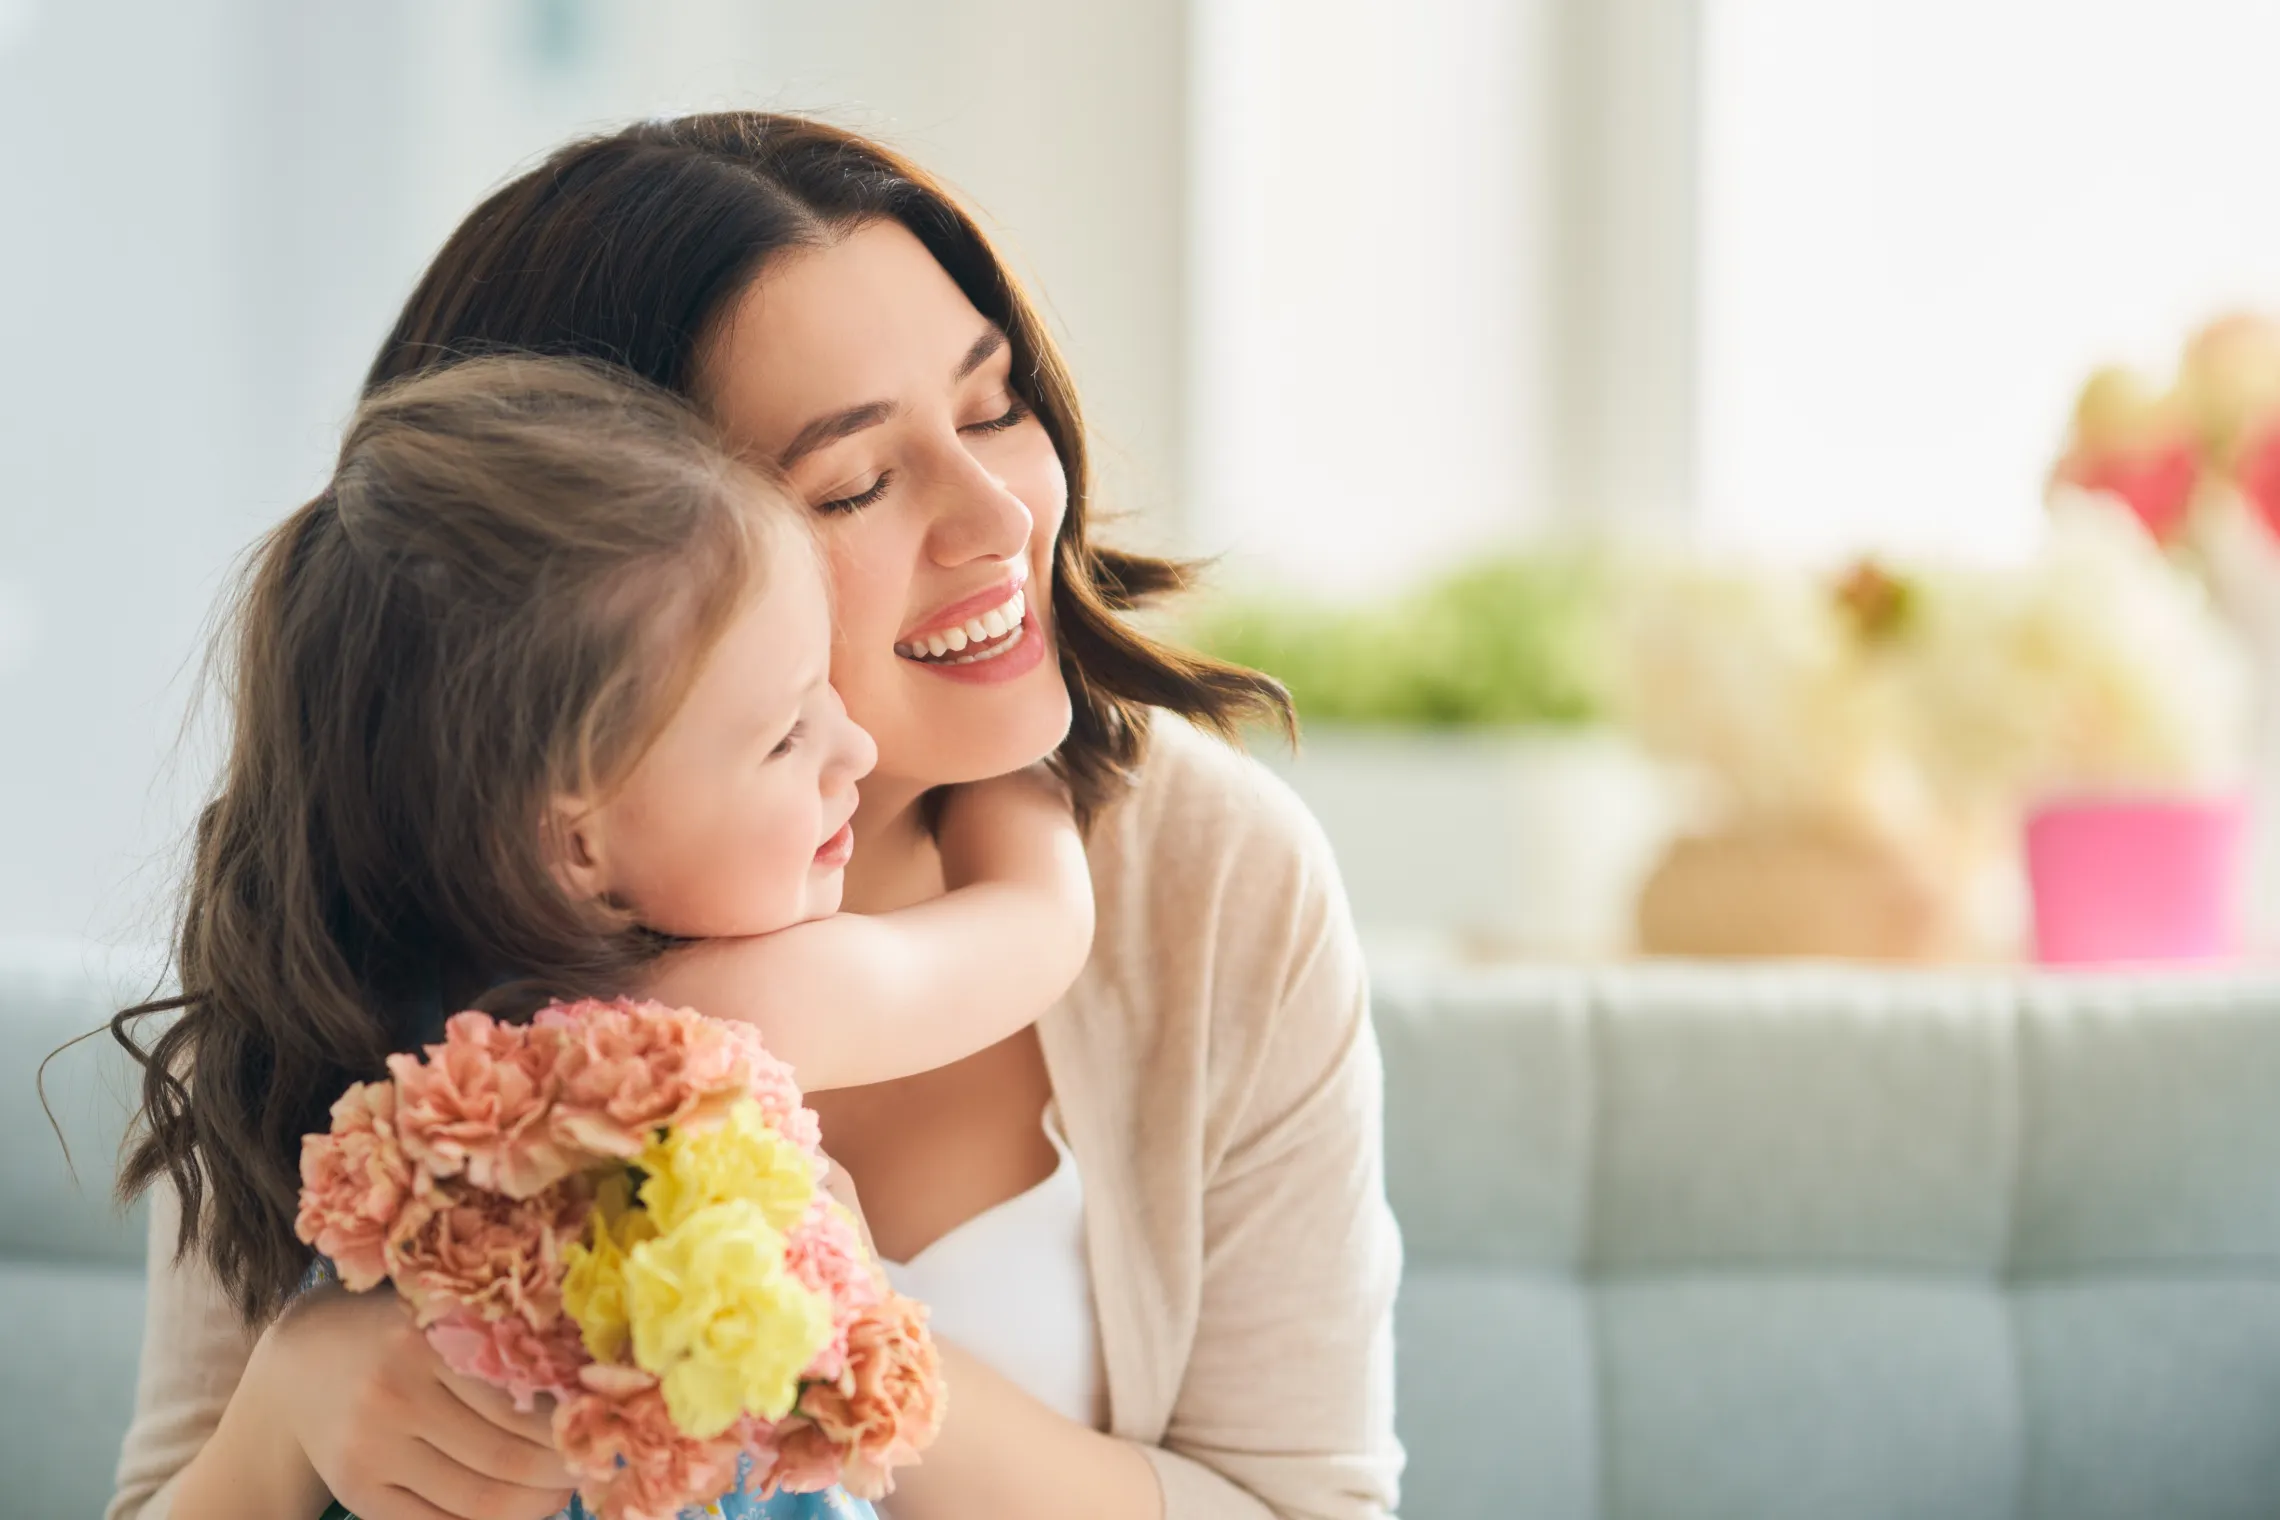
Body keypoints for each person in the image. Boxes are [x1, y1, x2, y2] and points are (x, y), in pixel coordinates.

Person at [112, 112, 1402, 1520]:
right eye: (852, 483)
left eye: (992, 408)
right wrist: (281, 1419)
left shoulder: (1205, 872)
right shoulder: (356, 928)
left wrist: (824, 1339)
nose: (995, 518)